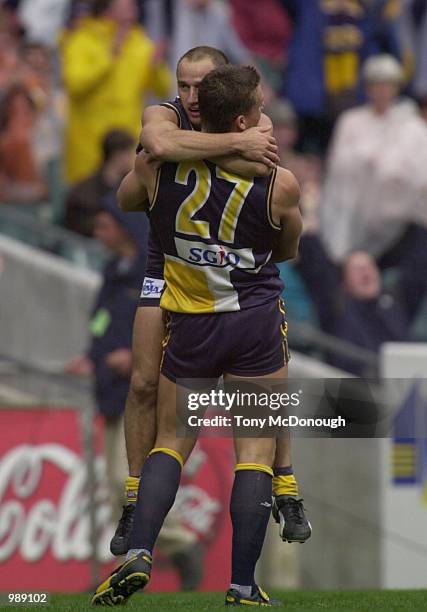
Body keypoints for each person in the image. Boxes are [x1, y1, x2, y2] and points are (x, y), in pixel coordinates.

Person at [91, 64, 303, 607]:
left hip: (189, 321)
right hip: (253, 319)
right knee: (253, 449)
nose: (265, 122)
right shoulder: (279, 183)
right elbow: (288, 250)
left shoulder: (155, 169)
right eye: (258, 109)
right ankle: (241, 585)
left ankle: (140, 550)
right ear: (240, 118)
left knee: (171, 444)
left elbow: (127, 198)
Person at [59, 0, 171, 183]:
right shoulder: (81, 39)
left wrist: (157, 66)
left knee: (128, 202)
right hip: (89, 144)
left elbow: (162, 88)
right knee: (87, 203)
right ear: (107, 10)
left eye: (133, 7)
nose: (132, 12)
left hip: (127, 142)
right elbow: (74, 85)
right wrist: (108, 57)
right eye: (126, 7)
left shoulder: (140, 42)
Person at [64, 129, 135, 236]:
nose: (133, 158)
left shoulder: (130, 188)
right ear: (117, 156)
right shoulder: (82, 195)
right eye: (129, 153)